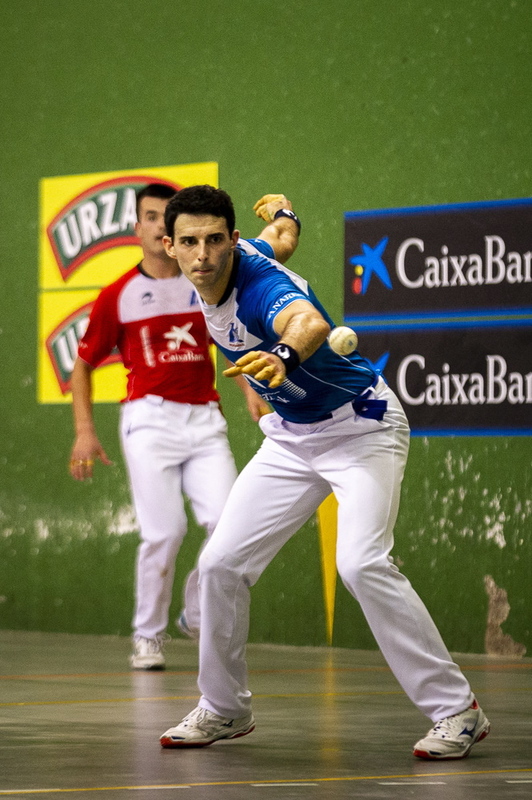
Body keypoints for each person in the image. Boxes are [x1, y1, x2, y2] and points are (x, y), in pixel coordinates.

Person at [158, 184, 490, 760]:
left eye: (215, 240)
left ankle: (457, 711)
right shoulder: (249, 252)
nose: (204, 254)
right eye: (190, 242)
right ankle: (225, 708)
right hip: (292, 439)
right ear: (171, 246)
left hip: (361, 428)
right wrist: (286, 211)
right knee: (219, 565)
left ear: (232, 242)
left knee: (361, 561)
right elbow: (282, 237)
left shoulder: (260, 286)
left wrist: (282, 355)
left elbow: (307, 323)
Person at [69, 183, 273, 670]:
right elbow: (82, 363)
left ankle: (196, 613)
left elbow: (233, 342)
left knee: (228, 526)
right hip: (148, 418)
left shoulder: (205, 285)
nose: (161, 223)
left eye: (167, 215)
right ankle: (147, 635)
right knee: (164, 532)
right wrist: (84, 430)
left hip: (204, 418)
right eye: (151, 216)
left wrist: (252, 392)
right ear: (142, 230)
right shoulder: (117, 295)